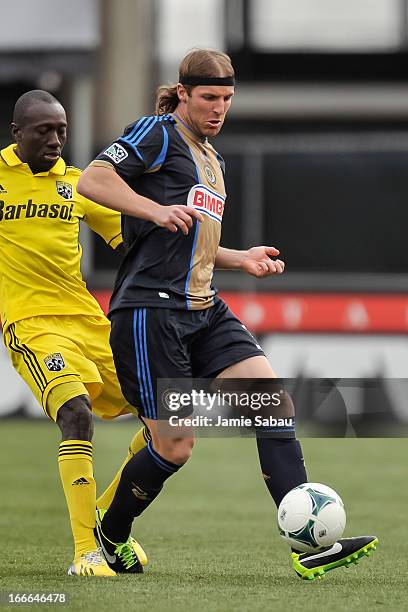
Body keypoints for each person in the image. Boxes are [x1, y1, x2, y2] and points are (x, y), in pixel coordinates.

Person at [77, 49, 378, 580]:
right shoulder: (156, 132)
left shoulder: (214, 159)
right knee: (176, 446)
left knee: (273, 405)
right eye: (209, 98)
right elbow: (93, 181)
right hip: (151, 311)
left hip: (205, 308)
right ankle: (112, 529)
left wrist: (240, 258)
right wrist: (153, 208)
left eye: (227, 99)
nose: (219, 108)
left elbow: (194, 238)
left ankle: (307, 545)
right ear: (185, 94)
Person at [0, 90, 150, 577]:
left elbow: (132, 238)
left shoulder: (78, 183)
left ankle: (106, 520)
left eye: (61, 129)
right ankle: (86, 552)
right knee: (75, 413)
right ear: (16, 133)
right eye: (44, 130)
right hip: (31, 324)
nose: (56, 139)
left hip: (88, 321)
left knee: (163, 419)